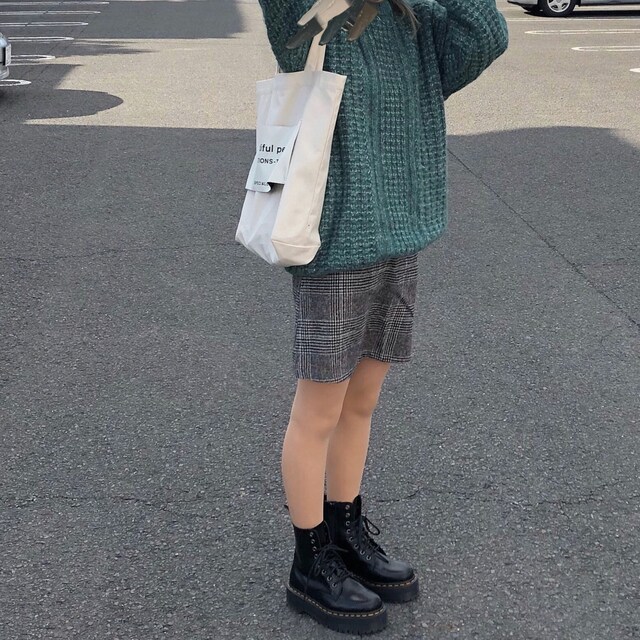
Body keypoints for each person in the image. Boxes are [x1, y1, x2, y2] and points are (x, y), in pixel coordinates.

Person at [256, 0, 509, 634]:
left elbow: (486, 34)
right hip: (334, 240)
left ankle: (345, 530)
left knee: (362, 401)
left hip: (401, 234)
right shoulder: (310, 15)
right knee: (319, 408)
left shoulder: (413, 20)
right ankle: (309, 560)